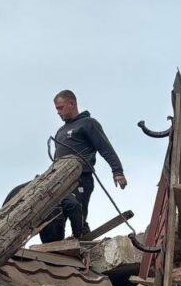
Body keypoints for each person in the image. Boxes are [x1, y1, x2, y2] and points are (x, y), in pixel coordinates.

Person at [43, 89, 127, 241]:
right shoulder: (60, 131)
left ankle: (80, 235)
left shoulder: (88, 124)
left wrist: (117, 171)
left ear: (72, 104)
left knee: (77, 209)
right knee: (57, 212)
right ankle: (57, 244)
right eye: (56, 109)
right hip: (59, 181)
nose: (58, 112)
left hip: (81, 178)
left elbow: (105, 148)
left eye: (60, 108)